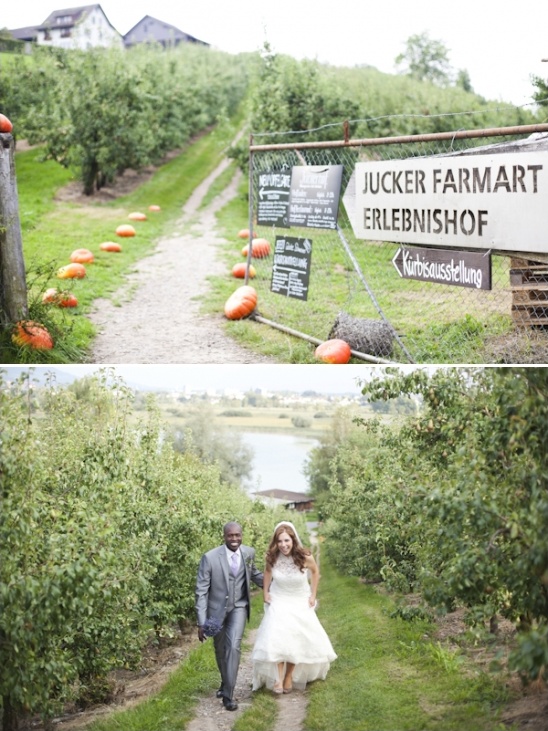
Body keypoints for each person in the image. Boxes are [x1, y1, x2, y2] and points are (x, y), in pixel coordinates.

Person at [251, 521, 336, 694]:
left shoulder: (305, 556)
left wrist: (312, 595)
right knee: (278, 636)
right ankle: (278, 679)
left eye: (286, 541)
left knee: (295, 638)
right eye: (280, 541)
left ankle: (289, 675)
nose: (283, 545)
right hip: (279, 599)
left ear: (293, 540)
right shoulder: (272, 557)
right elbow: (267, 573)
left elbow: (315, 573)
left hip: (298, 599)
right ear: (275, 542)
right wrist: (265, 592)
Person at [195, 521, 264, 711]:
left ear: (242, 535)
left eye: (237, 535)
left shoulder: (248, 553)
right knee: (219, 649)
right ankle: (224, 682)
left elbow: (255, 575)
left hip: (238, 607)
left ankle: (228, 694)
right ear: (224, 536)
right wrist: (201, 622)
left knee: (233, 646)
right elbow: (201, 592)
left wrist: (278, 583)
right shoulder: (209, 558)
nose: (234, 539)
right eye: (230, 536)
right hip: (215, 612)